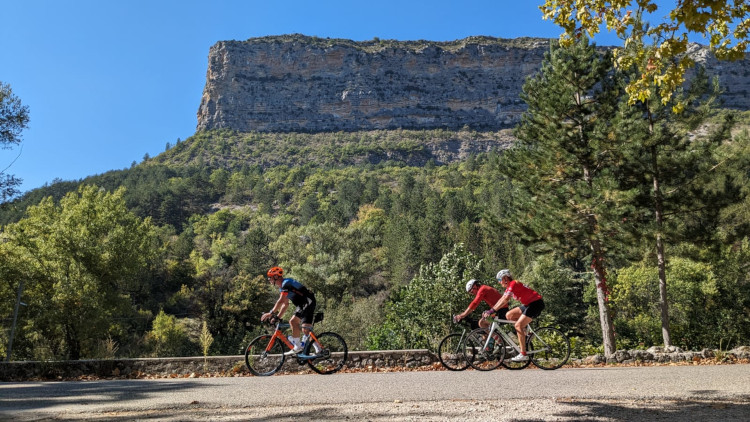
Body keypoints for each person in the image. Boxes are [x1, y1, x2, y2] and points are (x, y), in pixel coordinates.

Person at [484, 269, 544, 362]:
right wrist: (491, 310)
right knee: (509, 315)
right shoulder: (510, 286)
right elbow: (501, 299)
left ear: (505, 278)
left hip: (535, 304)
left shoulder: (513, 284)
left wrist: (492, 310)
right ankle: (525, 334)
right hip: (528, 304)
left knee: (518, 325)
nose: (499, 283)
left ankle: (523, 354)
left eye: (499, 280)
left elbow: (505, 300)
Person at [261, 266, 316, 353]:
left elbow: (281, 301)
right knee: (306, 329)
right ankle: (320, 350)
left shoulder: (286, 283)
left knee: (293, 322)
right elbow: (285, 304)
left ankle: (297, 347)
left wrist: (270, 313)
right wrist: (278, 317)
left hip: (307, 302)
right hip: (303, 304)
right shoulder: (282, 287)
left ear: (276, 277)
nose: (269, 280)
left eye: (270, 277)